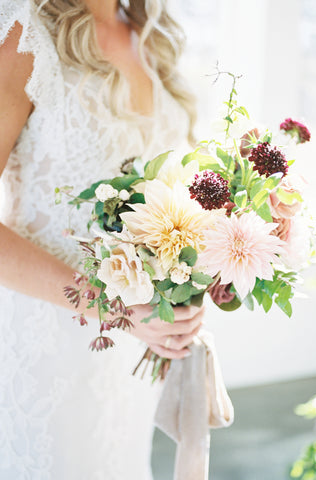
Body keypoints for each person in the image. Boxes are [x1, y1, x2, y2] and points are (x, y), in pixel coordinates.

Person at [0, 0, 204, 478]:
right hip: (48, 351)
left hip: (130, 353)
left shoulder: (148, 31)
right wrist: (112, 309)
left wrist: (200, 272)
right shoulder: (25, 33)